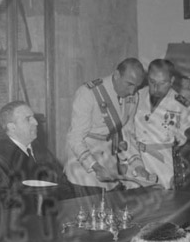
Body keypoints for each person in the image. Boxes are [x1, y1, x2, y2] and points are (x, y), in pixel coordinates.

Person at [64, 58, 151, 193]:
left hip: (109, 165)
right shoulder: (88, 93)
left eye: (137, 86)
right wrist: (95, 166)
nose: (132, 91)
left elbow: (127, 133)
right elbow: (75, 138)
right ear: (116, 75)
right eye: (129, 84)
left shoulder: (133, 96)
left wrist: (137, 165)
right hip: (84, 168)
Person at [0, 101, 71, 210]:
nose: (36, 123)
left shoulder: (38, 148)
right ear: (12, 127)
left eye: (34, 118)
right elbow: (2, 203)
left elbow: (64, 185)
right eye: (28, 119)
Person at [133, 59, 190, 189]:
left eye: (162, 83)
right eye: (152, 82)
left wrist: (181, 172)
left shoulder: (181, 104)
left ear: (172, 80)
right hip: (137, 162)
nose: (156, 88)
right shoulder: (136, 96)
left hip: (163, 165)